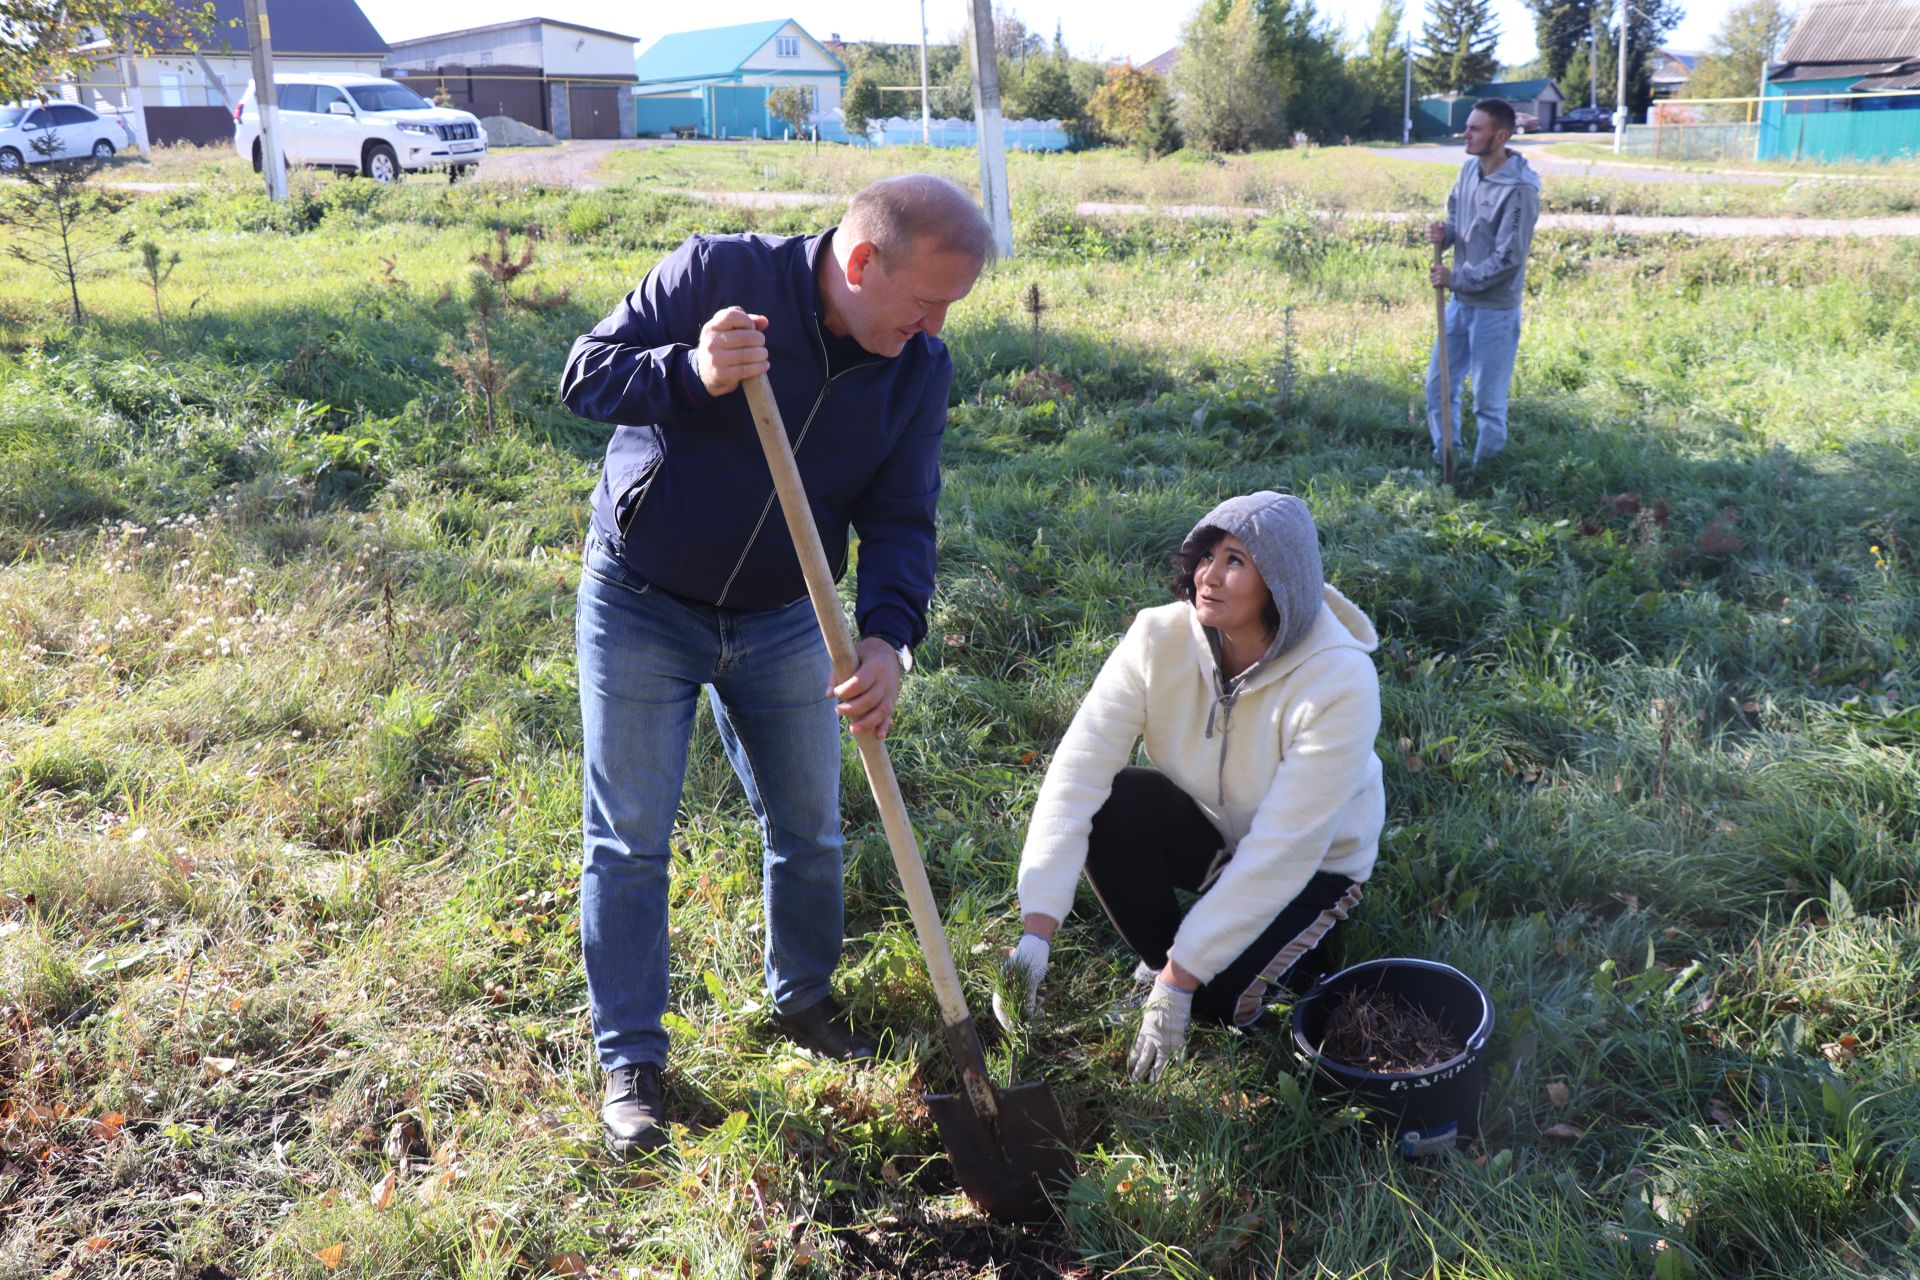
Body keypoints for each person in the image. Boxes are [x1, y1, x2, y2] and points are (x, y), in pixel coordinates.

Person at [560, 175, 992, 1156]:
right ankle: (633, 1060)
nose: (935, 326)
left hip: (789, 614)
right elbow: (585, 374)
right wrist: (688, 370)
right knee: (629, 839)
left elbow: (900, 512)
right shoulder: (721, 272)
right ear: (862, 260)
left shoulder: (918, 366)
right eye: (928, 300)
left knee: (809, 825)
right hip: (642, 601)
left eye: (950, 309)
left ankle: (801, 999)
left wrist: (888, 634)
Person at [996, 493, 1385, 1081]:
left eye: (1235, 561)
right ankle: (1170, 961)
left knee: (1218, 1007)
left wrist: (1184, 980)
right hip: (1218, 835)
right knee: (1117, 800)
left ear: (1280, 582)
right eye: (1206, 555)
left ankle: (1282, 953)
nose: (1208, 575)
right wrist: (1037, 929)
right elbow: (1078, 770)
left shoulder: (1340, 681)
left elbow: (1286, 849)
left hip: (1314, 864)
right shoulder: (1157, 639)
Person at [1425, 98, 1542, 469]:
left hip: (1495, 310)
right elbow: (1459, 223)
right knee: (1439, 386)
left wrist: (1456, 277)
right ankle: (1447, 456)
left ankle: (1487, 474)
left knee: (1487, 402)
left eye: (1476, 128)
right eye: (1468, 126)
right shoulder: (1468, 172)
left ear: (1501, 135)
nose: (1467, 133)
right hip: (1460, 302)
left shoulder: (1520, 189)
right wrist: (1444, 235)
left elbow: (1509, 257)